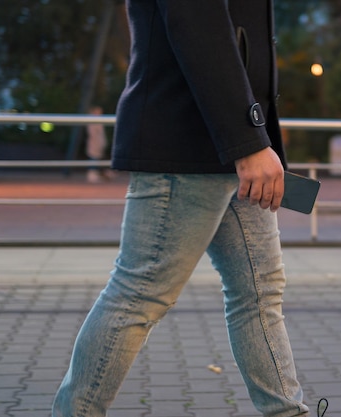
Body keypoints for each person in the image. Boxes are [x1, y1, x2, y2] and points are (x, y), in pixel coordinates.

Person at [52, 1, 321, 416]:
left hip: (233, 144)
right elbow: (197, 19)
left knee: (259, 293)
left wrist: (253, 137)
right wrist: (248, 139)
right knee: (138, 295)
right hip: (189, 140)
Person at [85, 105, 108, 183]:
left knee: (96, 159)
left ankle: (96, 174)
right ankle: (92, 175)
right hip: (94, 143)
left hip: (99, 143)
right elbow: (93, 133)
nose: (100, 113)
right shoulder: (93, 120)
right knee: (93, 158)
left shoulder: (99, 120)